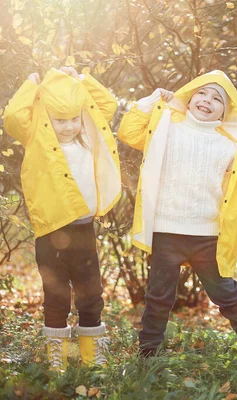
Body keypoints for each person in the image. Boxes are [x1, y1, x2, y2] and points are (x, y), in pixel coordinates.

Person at [118, 70, 237, 362]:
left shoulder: (231, 141)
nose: (207, 100)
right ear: (188, 98)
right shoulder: (167, 125)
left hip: (207, 233)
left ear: (226, 111)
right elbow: (129, 132)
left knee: (226, 292)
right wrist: (153, 101)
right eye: (202, 93)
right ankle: (148, 350)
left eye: (218, 99)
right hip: (167, 229)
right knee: (159, 295)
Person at [3, 67, 121, 371]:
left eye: (73, 119)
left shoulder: (87, 138)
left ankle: (92, 353)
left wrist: (82, 81)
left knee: (90, 292)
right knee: (56, 295)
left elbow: (106, 104)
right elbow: (15, 117)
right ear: (46, 118)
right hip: (51, 231)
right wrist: (31, 84)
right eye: (60, 120)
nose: (69, 127)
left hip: (83, 229)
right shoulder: (37, 140)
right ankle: (58, 355)